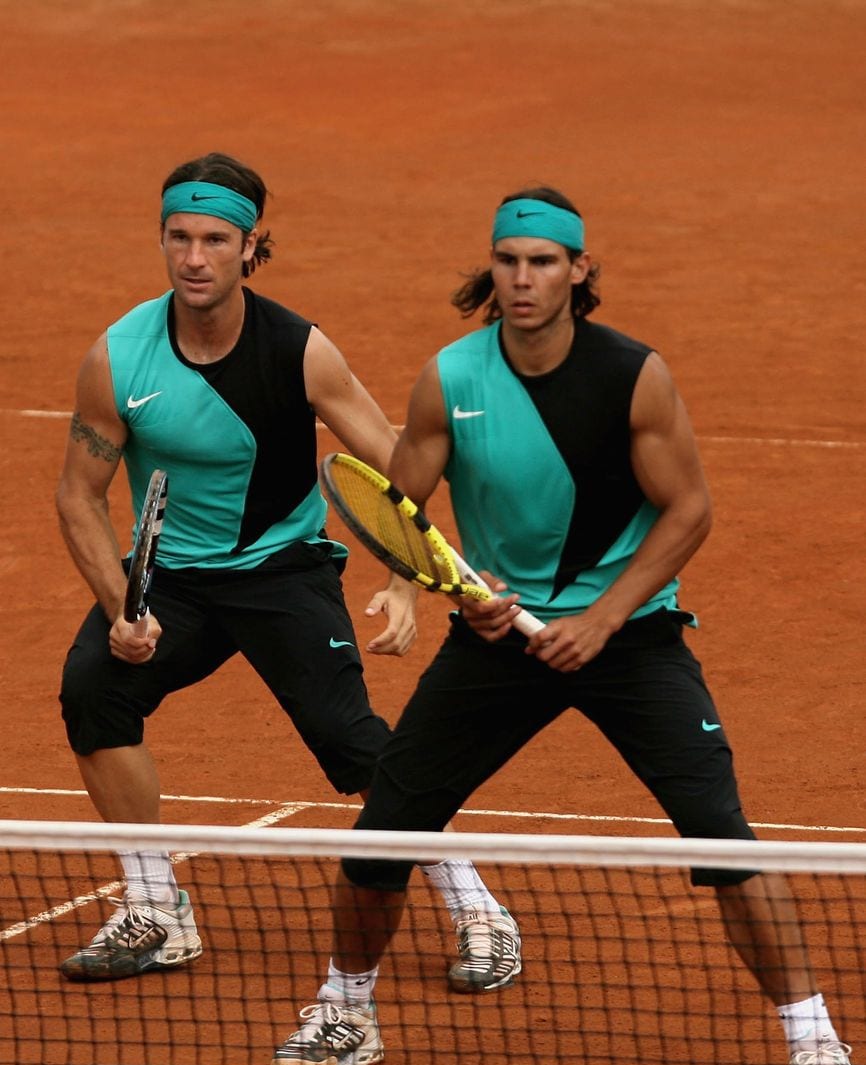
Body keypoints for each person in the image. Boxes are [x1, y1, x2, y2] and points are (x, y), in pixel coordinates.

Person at [271, 185, 863, 1065]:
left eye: (542, 262)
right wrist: (407, 589)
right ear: (491, 270)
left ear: (578, 271)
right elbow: (403, 507)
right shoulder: (451, 379)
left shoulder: (634, 376)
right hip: (498, 639)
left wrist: (606, 616)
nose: (522, 279)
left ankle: (816, 1042)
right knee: (386, 832)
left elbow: (689, 511)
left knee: (722, 835)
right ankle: (346, 1010)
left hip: (631, 642)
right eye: (507, 261)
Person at [55, 152, 520, 989]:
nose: (194, 258)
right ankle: (155, 905)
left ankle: (480, 909)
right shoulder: (119, 358)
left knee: (349, 742)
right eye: (179, 237)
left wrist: (405, 579)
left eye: (215, 240)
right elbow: (78, 497)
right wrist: (119, 606)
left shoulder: (300, 352)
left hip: (281, 572)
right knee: (94, 688)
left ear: (250, 248)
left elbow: (394, 468)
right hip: (176, 583)